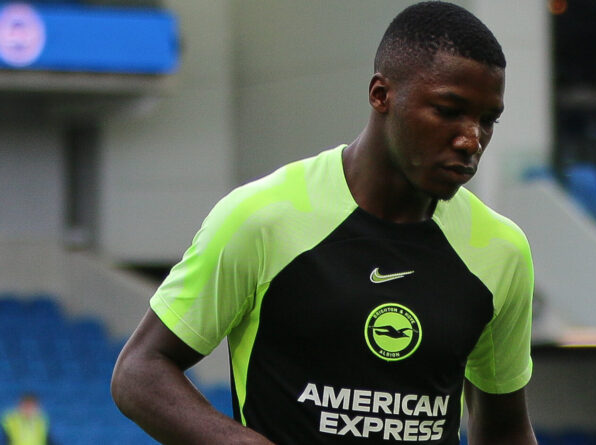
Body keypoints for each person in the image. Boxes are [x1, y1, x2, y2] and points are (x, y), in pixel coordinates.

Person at [111, 2, 537, 444]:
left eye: (488, 120)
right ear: (381, 95)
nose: (471, 139)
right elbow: (140, 371)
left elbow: (505, 429)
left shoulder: (501, 250)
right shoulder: (262, 218)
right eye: (448, 110)